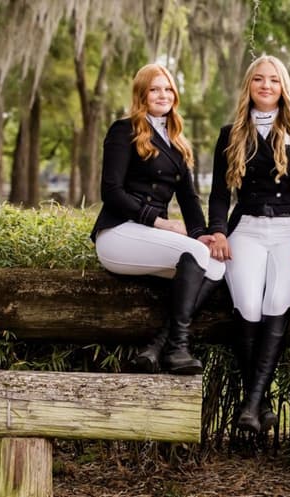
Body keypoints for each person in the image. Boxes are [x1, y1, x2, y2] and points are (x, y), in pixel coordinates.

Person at [207, 55, 290, 433]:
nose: (266, 85)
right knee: (246, 305)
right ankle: (262, 403)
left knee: (276, 303)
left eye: (274, 80)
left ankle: (250, 404)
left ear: (283, 87)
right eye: (259, 79)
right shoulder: (230, 133)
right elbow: (218, 195)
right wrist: (218, 231)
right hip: (246, 229)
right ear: (249, 85)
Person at [90, 63, 225, 375]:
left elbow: (189, 199)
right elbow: (111, 191)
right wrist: (160, 222)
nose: (163, 95)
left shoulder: (176, 141)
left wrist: (201, 233)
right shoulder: (124, 130)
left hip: (147, 237)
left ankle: (157, 347)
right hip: (118, 233)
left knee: (216, 265)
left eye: (168, 89)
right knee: (196, 254)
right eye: (154, 89)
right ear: (142, 94)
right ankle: (178, 348)